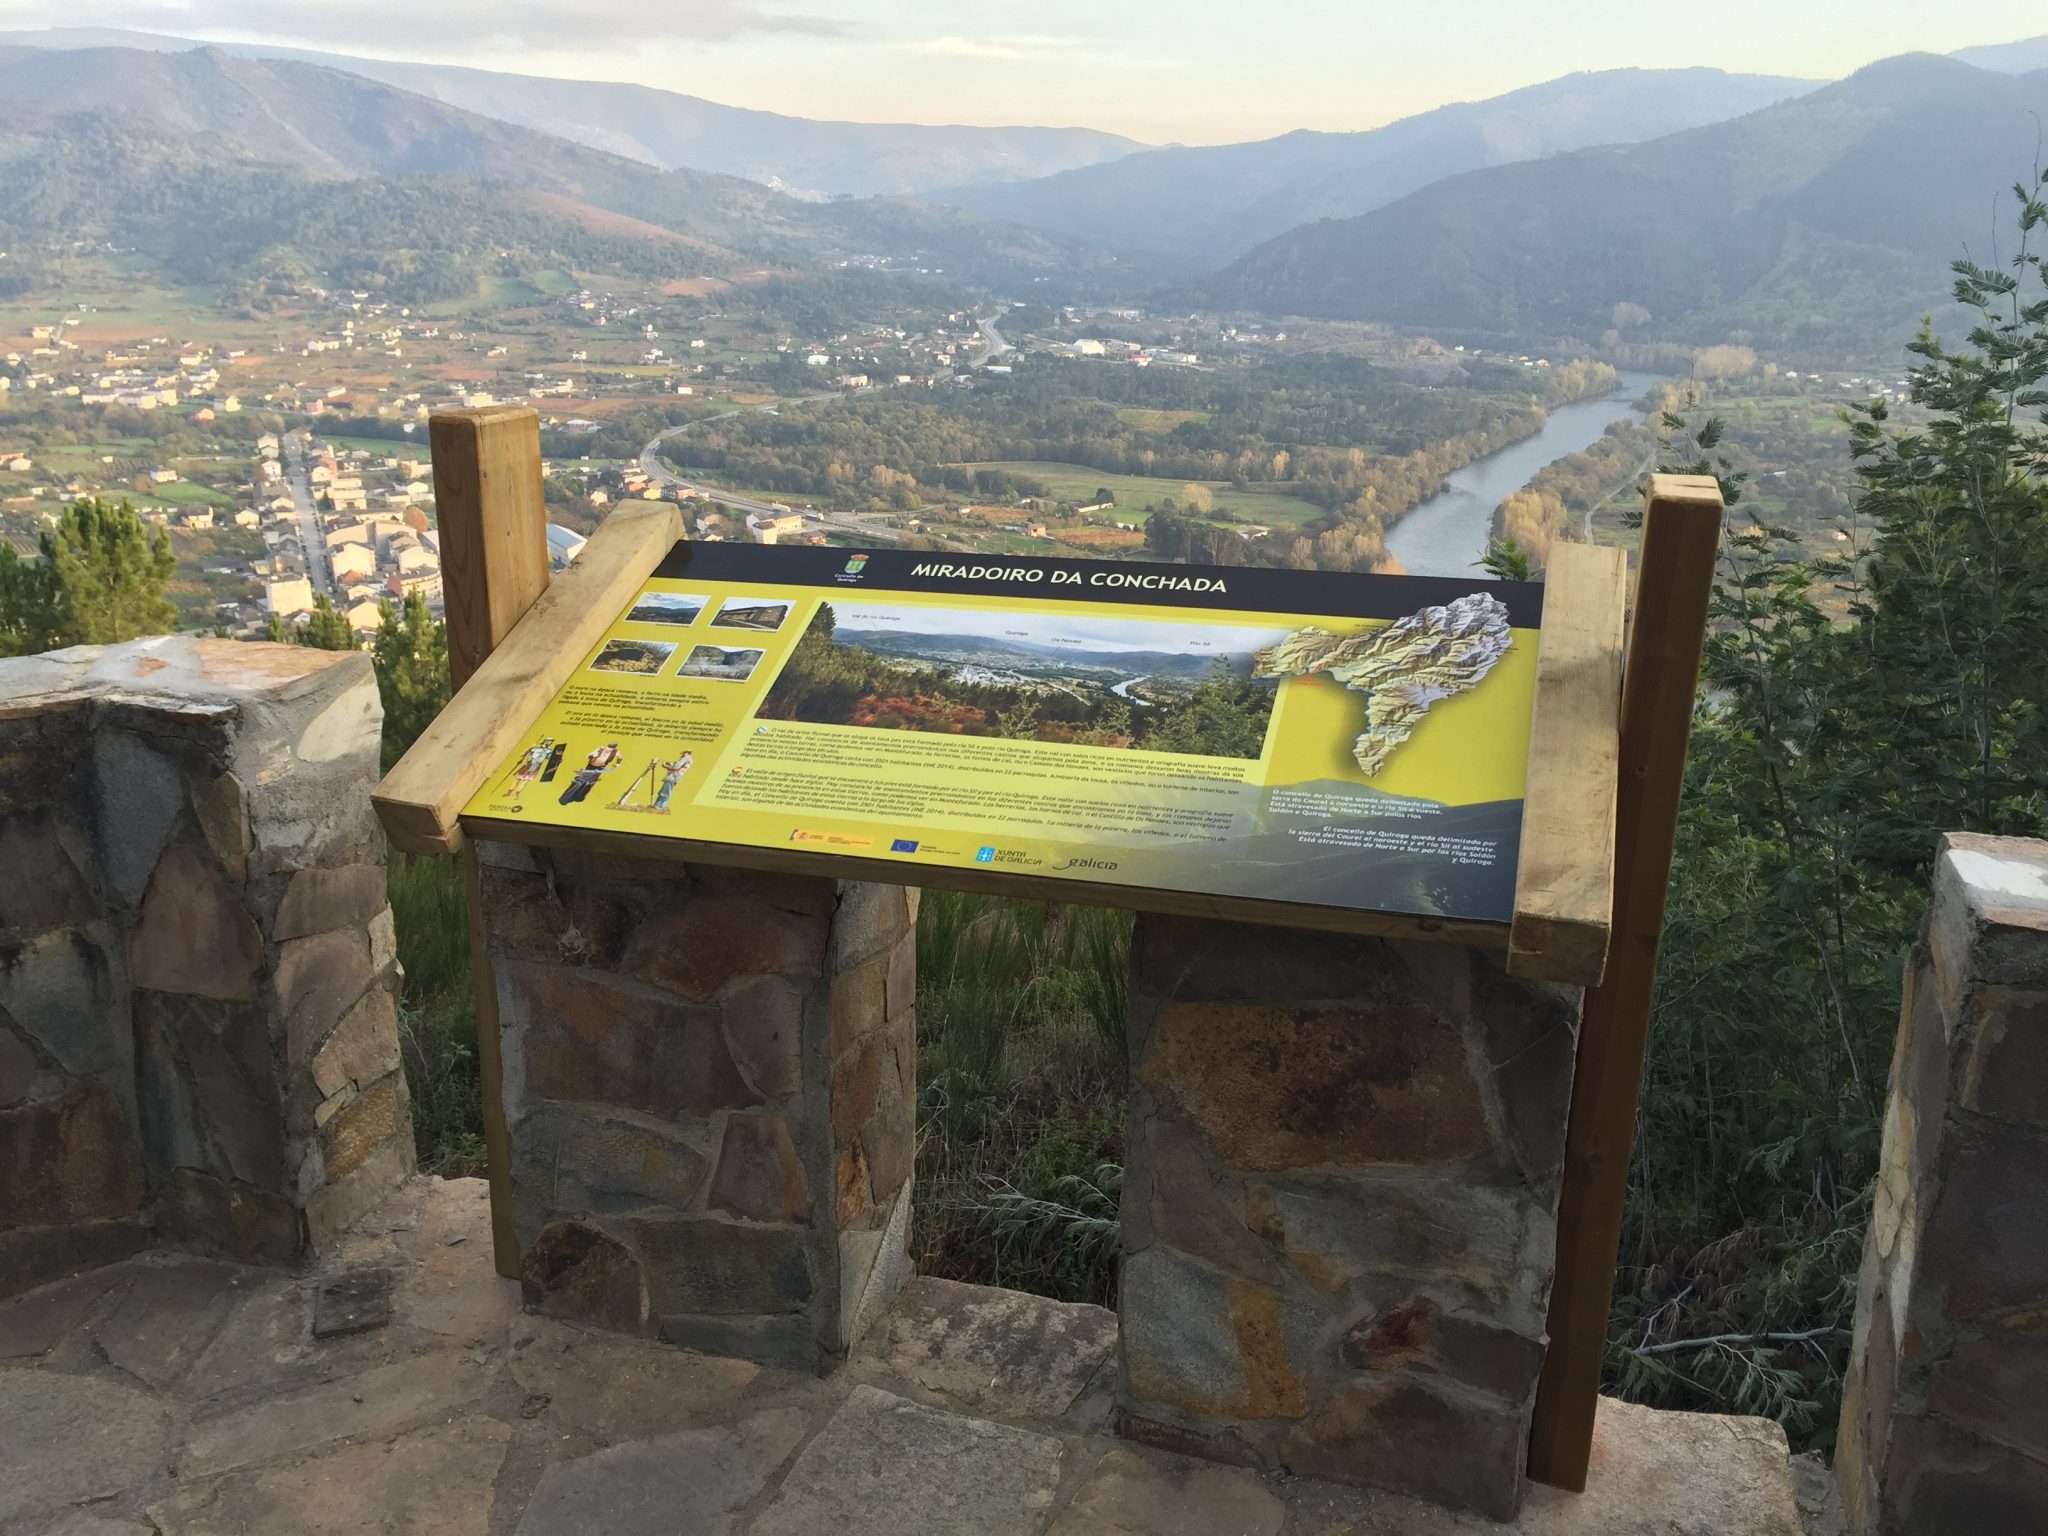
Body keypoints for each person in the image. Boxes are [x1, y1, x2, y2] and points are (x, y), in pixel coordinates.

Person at [500, 736, 554, 800]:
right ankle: (509, 792)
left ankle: (517, 794)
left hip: (535, 766)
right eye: (550, 741)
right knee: (518, 779)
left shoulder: (549, 751)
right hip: (528, 765)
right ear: (545, 741)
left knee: (525, 781)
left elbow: (550, 758)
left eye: (551, 742)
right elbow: (522, 754)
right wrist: (530, 747)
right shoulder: (534, 749)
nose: (551, 743)